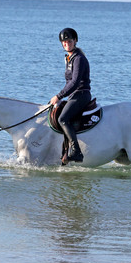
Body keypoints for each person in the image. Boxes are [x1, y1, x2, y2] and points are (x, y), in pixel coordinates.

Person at [49, 27, 91, 163]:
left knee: (63, 119)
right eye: (64, 42)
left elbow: (74, 82)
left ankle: (76, 151)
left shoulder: (79, 59)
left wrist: (59, 96)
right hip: (74, 95)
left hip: (81, 94)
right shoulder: (69, 58)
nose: (66, 43)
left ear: (75, 41)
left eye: (69, 41)